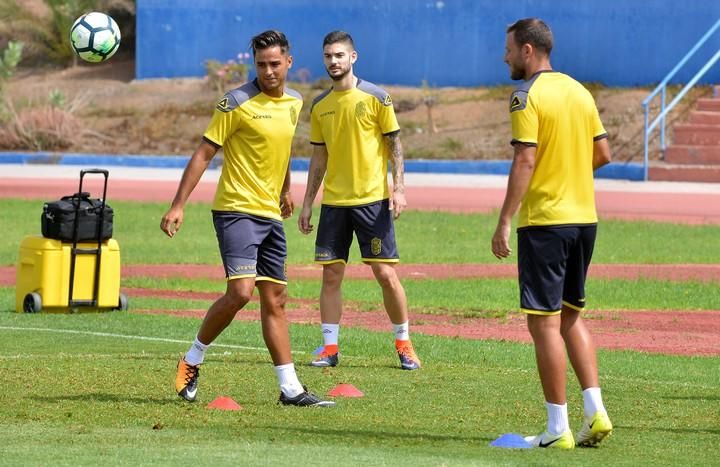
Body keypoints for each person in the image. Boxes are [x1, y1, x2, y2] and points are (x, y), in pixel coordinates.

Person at [161, 30, 334, 407]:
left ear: (289, 62)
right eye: (261, 64)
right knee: (240, 293)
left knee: (276, 299)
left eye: (275, 63)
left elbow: (282, 148)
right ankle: (192, 359)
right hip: (236, 209)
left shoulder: (294, 101)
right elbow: (204, 154)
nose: (268, 71)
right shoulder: (235, 102)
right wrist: (178, 204)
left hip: (270, 213)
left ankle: (290, 390)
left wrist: (286, 189)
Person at [491, 18, 613, 449]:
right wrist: (569, 172)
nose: (504, 56)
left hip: (546, 221)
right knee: (571, 317)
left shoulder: (526, 95)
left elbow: (525, 158)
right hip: (585, 219)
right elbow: (603, 152)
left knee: (542, 323)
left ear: (527, 50)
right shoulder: (580, 91)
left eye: (508, 49)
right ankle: (596, 411)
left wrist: (505, 219)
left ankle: (557, 428)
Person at [298, 31, 421, 371]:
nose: (333, 61)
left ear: (353, 57)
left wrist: (399, 189)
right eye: (328, 56)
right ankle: (329, 347)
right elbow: (319, 158)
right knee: (331, 276)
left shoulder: (377, 97)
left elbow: (394, 145)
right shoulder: (320, 106)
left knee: (385, 274)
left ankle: (403, 342)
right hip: (335, 204)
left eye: (339, 55)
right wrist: (308, 202)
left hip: (372, 201)